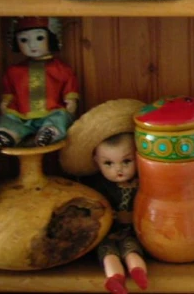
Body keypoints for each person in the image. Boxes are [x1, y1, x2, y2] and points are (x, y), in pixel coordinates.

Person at [59, 99, 148, 294]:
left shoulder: (143, 183)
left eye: (126, 161)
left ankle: (139, 272)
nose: (119, 170)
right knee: (108, 253)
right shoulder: (96, 186)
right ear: (96, 162)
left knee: (131, 249)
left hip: (134, 233)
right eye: (108, 163)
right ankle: (115, 278)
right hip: (105, 234)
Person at [0, 17, 79, 149]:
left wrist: (71, 99)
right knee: (10, 118)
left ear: (51, 38)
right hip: (21, 111)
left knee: (60, 118)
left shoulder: (61, 69)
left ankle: (49, 132)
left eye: (39, 38)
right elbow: (9, 89)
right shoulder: (14, 71)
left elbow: (69, 85)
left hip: (52, 109)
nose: (32, 45)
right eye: (23, 40)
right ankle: (7, 134)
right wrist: (6, 101)